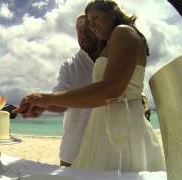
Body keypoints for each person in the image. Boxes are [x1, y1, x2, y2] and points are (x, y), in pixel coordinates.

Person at [16, 0, 165, 171]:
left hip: (120, 132)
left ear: (112, 13)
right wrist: (43, 104)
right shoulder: (80, 60)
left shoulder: (123, 33)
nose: (90, 28)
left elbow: (111, 90)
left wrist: (45, 98)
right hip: (94, 137)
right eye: (81, 30)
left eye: (94, 20)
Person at [14, 14, 102, 167]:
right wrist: (40, 104)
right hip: (74, 147)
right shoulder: (69, 65)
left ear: (97, 29)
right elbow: (60, 102)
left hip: (107, 146)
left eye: (87, 30)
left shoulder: (111, 59)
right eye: (79, 32)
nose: (83, 36)